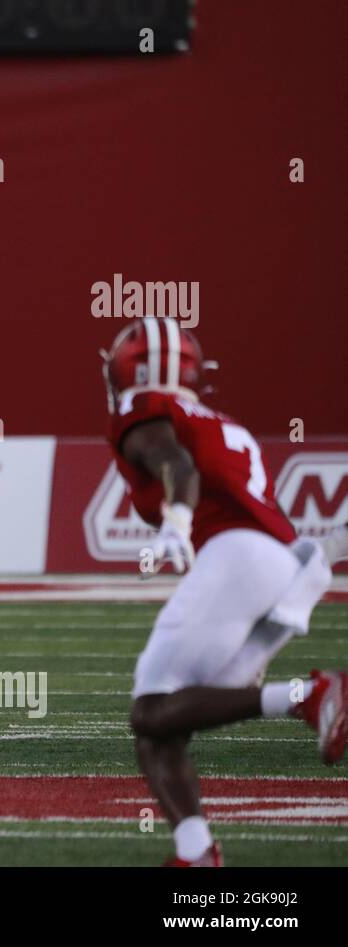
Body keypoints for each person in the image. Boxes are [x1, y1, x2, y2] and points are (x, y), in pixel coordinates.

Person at [103, 316, 346, 867]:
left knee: (149, 708)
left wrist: (177, 524)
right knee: (167, 719)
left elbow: (177, 466)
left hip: (240, 558)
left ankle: (309, 695)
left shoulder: (140, 404)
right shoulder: (214, 418)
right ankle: (196, 855)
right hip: (286, 565)